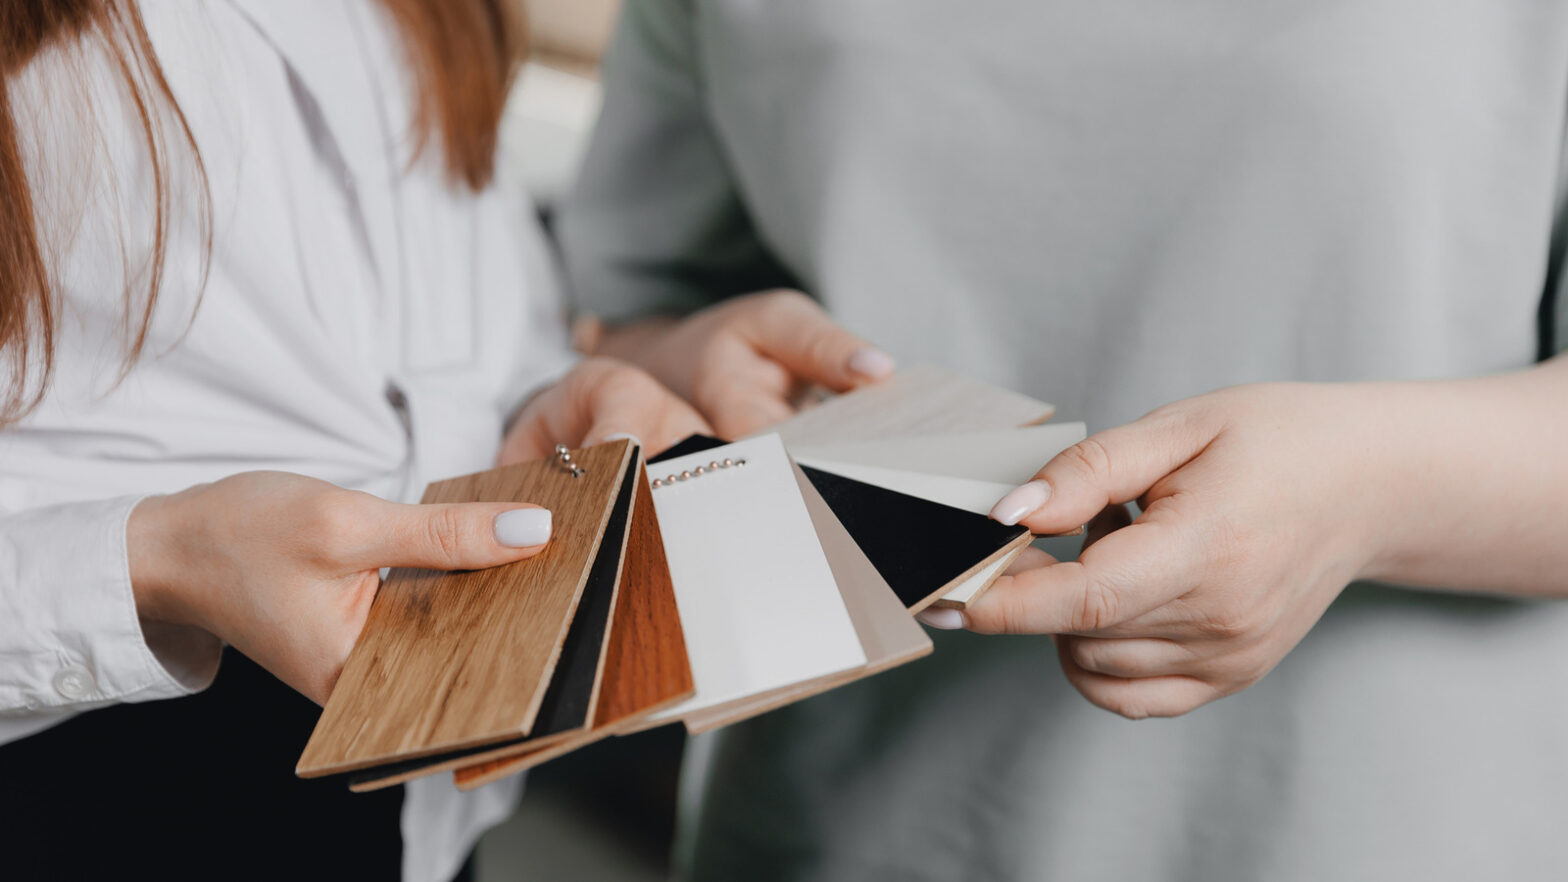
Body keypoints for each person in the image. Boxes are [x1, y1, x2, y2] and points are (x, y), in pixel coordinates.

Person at [558, 2, 1568, 879]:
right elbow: (626, 311)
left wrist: (1363, 491)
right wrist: (690, 364)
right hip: (831, 824)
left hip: (1369, 831)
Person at [0, 2, 705, 880]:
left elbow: (465, 281)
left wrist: (554, 384)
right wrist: (153, 562)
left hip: (435, 761)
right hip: (104, 756)